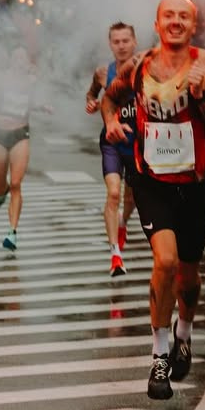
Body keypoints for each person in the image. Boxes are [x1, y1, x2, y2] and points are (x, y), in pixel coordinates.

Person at [101, 0, 205, 400]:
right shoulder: (138, 65)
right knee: (166, 261)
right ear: (157, 24)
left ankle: (185, 332)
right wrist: (110, 123)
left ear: (193, 26)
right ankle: (159, 355)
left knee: (190, 277)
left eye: (184, 17)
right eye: (168, 16)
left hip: (194, 185)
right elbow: (111, 97)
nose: (176, 22)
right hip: (151, 180)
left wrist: (201, 100)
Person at [85, 21, 139, 277]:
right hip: (112, 142)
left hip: (139, 143)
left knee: (131, 198)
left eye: (125, 41)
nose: (121, 46)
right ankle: (115, 254)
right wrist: (93, 104)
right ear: (110, 44)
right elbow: (91, 95)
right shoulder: (101, 72)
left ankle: (123, 223)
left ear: (134, 42)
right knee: (114, 194)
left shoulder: (145, 68)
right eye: (116, 41)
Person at [0, 44, 41, 251]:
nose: (20, 63)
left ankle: (12, 233)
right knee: (1, 185)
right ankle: (0, 191)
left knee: (16, 183)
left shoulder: (31, 82)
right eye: (16, 59)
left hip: (20, 134)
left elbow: (30, 103)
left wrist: (42, 106)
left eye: (24, 60)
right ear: (11, 61)